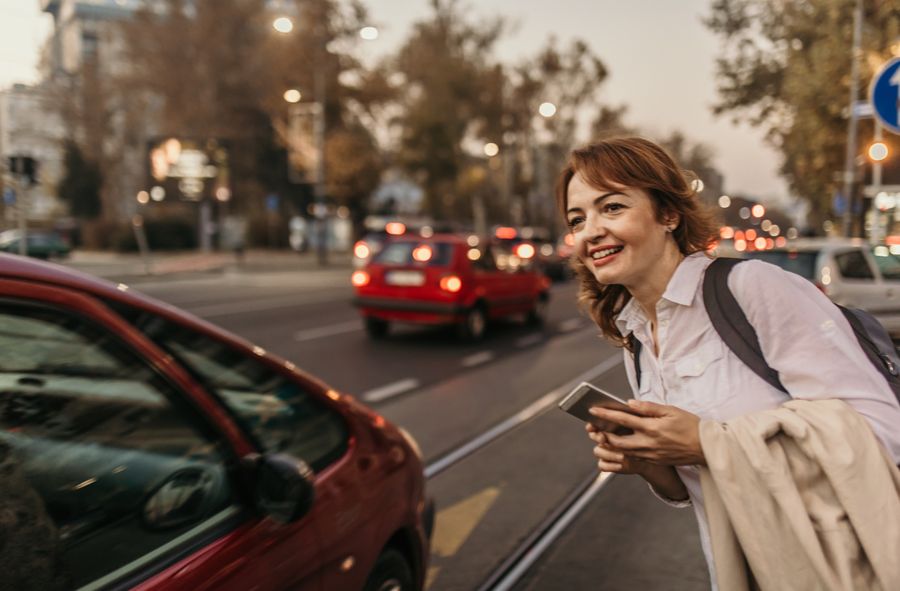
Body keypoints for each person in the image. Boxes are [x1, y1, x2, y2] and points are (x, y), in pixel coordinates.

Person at [555, 136, 900, 587]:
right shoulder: (637, 337)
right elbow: (697, 486)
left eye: (612, 207)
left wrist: (706, 441)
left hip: (835, 567)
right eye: (577, 219)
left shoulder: (751, 289)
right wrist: (654, 464)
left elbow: (883, 434)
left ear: (668, 215)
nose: (590, 231)